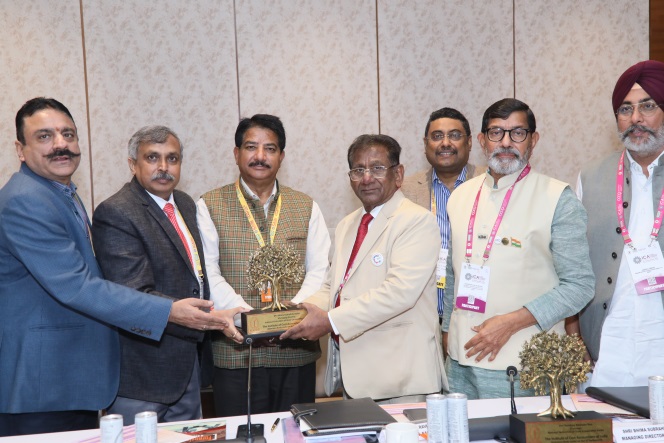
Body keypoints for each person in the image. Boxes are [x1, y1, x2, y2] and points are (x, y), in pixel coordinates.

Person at [0, 98, 227, 436]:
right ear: (20, 149)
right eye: (44, 136)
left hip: (68, 378)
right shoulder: (26, 200)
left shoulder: (61, 193)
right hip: (42, 382)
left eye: (68, 134)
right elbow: (78, 286)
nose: (61, 144)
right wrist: (169, 311)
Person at [91, 126, 246, 424]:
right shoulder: (116, 212)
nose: (163, 167)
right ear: (133, 164)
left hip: (188, 368)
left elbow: (195, 277)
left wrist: (214, 315)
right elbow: (132, 294)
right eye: (152, 157)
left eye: (172, 158)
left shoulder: (185, 204)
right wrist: (205, 319)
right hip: (143, 375)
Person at [442, 98, 594, 399]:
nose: (506, 142)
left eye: (518, 133)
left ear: (533, 140)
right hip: (460, 363)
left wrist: (511, 322)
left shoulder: (558, 198)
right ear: (482, 141)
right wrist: (447, 331)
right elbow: (452, 272)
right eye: (496, 132)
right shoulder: (460, 196)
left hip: (527, 365)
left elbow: (580, 286)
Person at [281, 134, 447, 403]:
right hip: (356, 378)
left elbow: (399, 292)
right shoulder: (348, 224)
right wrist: (298, 311)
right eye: (358, 170)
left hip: (402, 379)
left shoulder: (416, 221)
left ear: (398, 174)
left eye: (377, 168)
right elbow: (333, 285)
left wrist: (330, 320)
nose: (367, 178)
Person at [197, 114, 331, 416]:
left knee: (296, 431)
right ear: (236, 153)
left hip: (295, 351)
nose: (260, 156)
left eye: (270, 148)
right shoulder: (209, 205)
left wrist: (292, 312)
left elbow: (320, 270)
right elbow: (208, 272)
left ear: (281, 156)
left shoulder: (306, 206)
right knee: (241, 431)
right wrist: (246, 316)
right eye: (251, 147)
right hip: (236, 352)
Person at [570, 60, 664, 387]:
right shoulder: (590, 177)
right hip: (605, 352)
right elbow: (572, 266)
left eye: (647, 106)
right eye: (625, 109)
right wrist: (574, 338)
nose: (635, 118)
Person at [402, 107, 480, 325]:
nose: (445, 143)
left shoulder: (490, 183)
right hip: (422, 319)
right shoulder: (405, 190)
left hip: (477, 316)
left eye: (454, 135)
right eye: (437, 136)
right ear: (425, 144)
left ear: (469, 142)